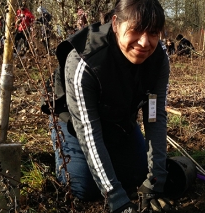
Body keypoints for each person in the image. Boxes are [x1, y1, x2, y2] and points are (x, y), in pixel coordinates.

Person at [44, 0, 171, 212]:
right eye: (136, 30)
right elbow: (88, 132)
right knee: (83, 187)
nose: (144, 42)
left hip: (119, 120)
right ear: (115, 24)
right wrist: (116, 198)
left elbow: (154, 116)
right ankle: (66, 157)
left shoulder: (158, 59)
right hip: (76, 123)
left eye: (154, 33)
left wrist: (156, 178)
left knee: (138, 175)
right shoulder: (84, 60)